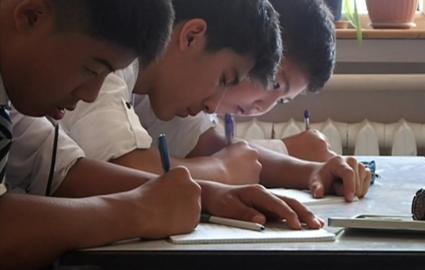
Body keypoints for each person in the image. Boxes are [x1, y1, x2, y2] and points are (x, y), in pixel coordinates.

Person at [0, 0, 191, 268]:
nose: (90, 95)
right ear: (32, 17)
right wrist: (137, 212)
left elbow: (61, 171)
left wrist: (201, 195)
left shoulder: (12, 100)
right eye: (91, 69)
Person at [133, 0, 371, 200]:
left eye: (281, 101)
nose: (264, 107)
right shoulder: (132, 61)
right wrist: (222, 172)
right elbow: (119, 164)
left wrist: (314, 172)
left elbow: (202, 145)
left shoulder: (179, 88)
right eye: (274, 83)